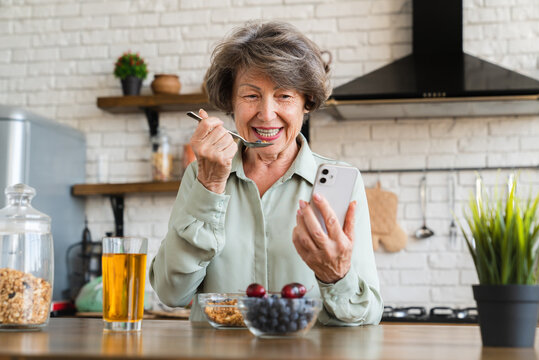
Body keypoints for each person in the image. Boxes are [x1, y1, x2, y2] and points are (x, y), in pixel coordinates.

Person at [149, 20, 383, 325]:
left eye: (284, 96)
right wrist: (209, 188)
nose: (266, 113)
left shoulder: (342, 182)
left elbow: (366, 316)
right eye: (250, 96)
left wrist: (336, 276)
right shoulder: (201, 175)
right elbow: (170, 293)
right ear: (231, 103)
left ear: (306, 103)